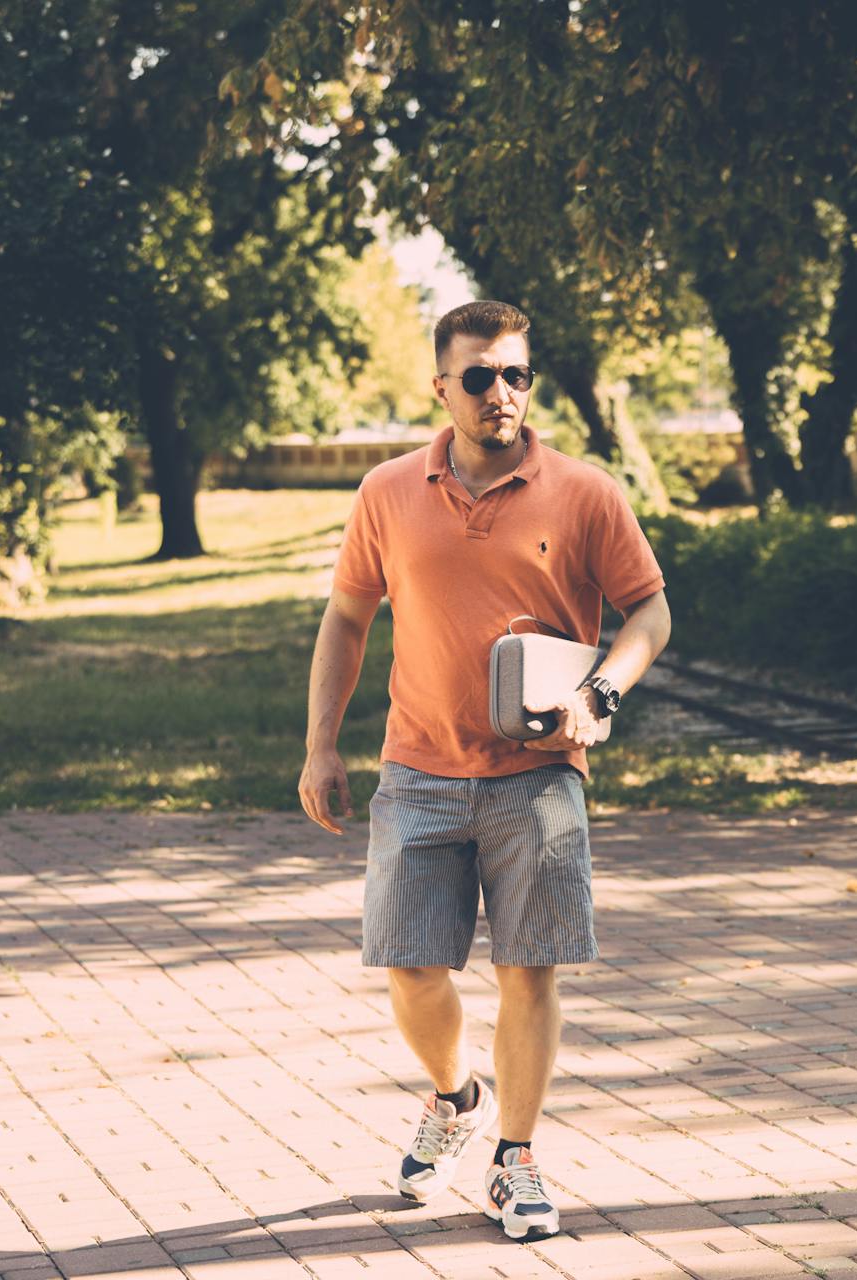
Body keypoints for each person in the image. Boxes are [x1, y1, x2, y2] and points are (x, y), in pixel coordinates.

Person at [297, 300, 672, 1242]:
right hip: (417, 769)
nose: (500, 393)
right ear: (442, 387)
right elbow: (347, 618)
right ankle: (454, 1096)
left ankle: (517, 1158)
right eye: (479, 377)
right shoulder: (387, 491)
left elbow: (650, 615)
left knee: (528, 972)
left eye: (515, 375)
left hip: (540, 774)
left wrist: (604, 695)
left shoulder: (585, 491)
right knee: (413, 968)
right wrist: (320, 743)